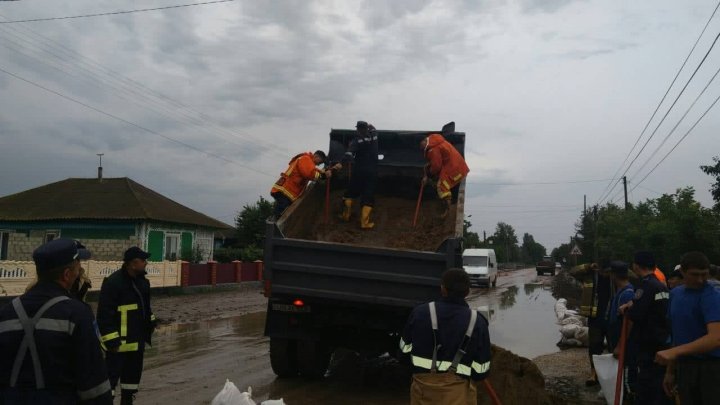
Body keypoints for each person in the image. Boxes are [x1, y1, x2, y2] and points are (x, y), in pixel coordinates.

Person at [0, 238, 112, 404]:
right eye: (77, 269)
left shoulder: (7, 312)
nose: (79, 274)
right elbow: (93, 385)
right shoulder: (76, 314)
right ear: (67, 275)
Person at [399, 268, 491, 405]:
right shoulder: (477, 322)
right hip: (458, 395)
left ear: (443, 289)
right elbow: (481, 371)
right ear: (467, 292)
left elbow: (403, 353)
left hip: (422, 392)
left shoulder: (419, 313)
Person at [655, 251, 720, 405]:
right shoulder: (676, 295)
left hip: (712, 368)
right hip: (686, 367)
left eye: (704, 274)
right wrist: (670, 371)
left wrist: (674, 352)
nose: (701, 279)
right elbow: (677, 334)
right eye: (695, 274)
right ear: (682, 272)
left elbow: (716, 338)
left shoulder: (712, 296)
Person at [97, 247, 157, 405]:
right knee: (109, 383)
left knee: (130, 383)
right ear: (132, 263)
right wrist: (112, 342)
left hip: (136, 344)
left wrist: (151, 323)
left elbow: (146, 308)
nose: (146, 263)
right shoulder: (113, 283)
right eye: (143, 260)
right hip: (117, 346)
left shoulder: (142, 282)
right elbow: (104, 315)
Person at [620, 251, 671, 405]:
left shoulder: (645, 286)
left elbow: (636, 314)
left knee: (647, 384)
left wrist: (628, 309)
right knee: (659, 383)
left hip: (648, 343)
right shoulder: (661, 286)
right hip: (662, 340)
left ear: (636, 266)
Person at [569, 261, 612, 386]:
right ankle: (594, 373)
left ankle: (611, 375)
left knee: (613, 347)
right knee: (594, 347)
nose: (604, 274)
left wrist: (615, 267)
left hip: (611, 317)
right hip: (595, 317)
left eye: (606, 271)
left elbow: (632, 276)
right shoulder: (589, 276)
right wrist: (588, 266)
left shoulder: (615, 276)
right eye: (601, 271)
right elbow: (573, 272)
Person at [270, 150, 334, 219]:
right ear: (316, 156)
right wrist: (322, 176)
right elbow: (309, 173)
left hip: (287, 189)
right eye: (320, 162)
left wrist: (322, 173)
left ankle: (274, 219)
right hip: (286, 189)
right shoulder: (306, 159)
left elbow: (313, 170)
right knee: (283, 205)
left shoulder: (307, 160)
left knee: (283, 207)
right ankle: (273, 220)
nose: (319, 164)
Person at [606, 261, 637, 401]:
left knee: (626, 373)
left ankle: (627, 397)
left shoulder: (627, 294)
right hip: (617, 337)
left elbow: (630, 322)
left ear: (614, 275)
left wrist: (620, 345)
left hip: (625, 342)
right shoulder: (620, 291)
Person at [339, 121, 379, 229]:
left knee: (351, 192)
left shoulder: (357, 140)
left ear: (358, 129)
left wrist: (341, 163)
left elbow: (348, 154)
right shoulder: (374, 138)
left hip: (359, 170)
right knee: (368, 194)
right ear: (367, 129)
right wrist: (372, 128)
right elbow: (374, 131)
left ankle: (346, 215)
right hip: (372, 171)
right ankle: (364, 223)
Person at [420, 133, 470, 218]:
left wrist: (428, 175)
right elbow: (438, 161)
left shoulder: (433, 149)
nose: (421, 148)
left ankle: (447, 210)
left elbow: (436, 166)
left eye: (421, 145)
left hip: (455, 169)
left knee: (442, 185)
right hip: (458, 166)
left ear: (425, 141)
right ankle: (446, 203)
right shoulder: (437, 142)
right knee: (440, 181)